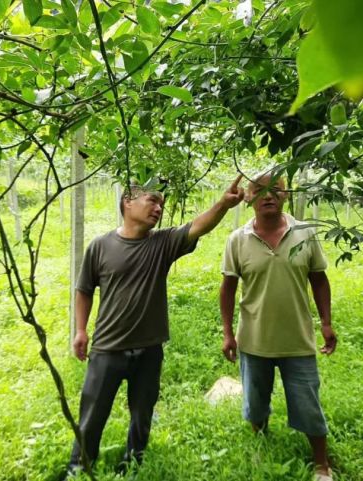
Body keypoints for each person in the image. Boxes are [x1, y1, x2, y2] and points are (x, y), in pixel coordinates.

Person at [67, 175, 245, 476]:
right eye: (152, 200)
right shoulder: (100, 246)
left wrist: (223, 205)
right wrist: (81, 330)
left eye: (161, 204)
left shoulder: (162, 244)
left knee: (142, 413)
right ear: (128, 202)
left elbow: (198, 225)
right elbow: (84, 289)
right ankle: (78, 466)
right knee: (92, 414)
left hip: (149, 349)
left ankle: (133, 463)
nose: (159, 208)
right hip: (107, 349)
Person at [220, 170, 337, 481]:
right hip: (254, 340)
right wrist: (228, 333)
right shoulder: (237, 240)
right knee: (255, 402)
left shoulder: (305, 234)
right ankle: (260, 442)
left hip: (297, 340)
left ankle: (321, 464)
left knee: (308, 402)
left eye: (276, 189)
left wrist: (326, 323)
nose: (267, 195)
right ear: (248, 198)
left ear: (286, 195)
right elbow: (228, 288)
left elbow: (319, 280)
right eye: (258, 190)